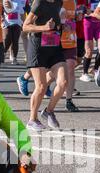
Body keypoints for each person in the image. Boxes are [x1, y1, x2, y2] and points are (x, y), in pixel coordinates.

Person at [23, 0, 67, 131]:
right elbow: (25, 26)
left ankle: (49, 111)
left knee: (63, 82)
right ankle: (32, 119)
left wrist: (61, 26)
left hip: (54, 47)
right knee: (41, 86)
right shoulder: (39, 3)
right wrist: (44, 28)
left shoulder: (59, 2)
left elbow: (55, 21)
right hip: (38, 48)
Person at [79, 0, 100, 82]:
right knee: (89, 51)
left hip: (99, 24)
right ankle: (84, 73)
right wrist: (85, 10)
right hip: (88, 23)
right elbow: (80, 9)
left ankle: (94, 69)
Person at [3, 0, 25, 65]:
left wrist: (23, 23)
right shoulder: (4, 1)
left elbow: (22, 13)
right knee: (7, 39)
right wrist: (2, 20)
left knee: (15, 41)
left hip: (17, 24)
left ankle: (14, 58)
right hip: (7, 24)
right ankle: (3, 54)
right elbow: (1, 12)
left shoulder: (19, 1)